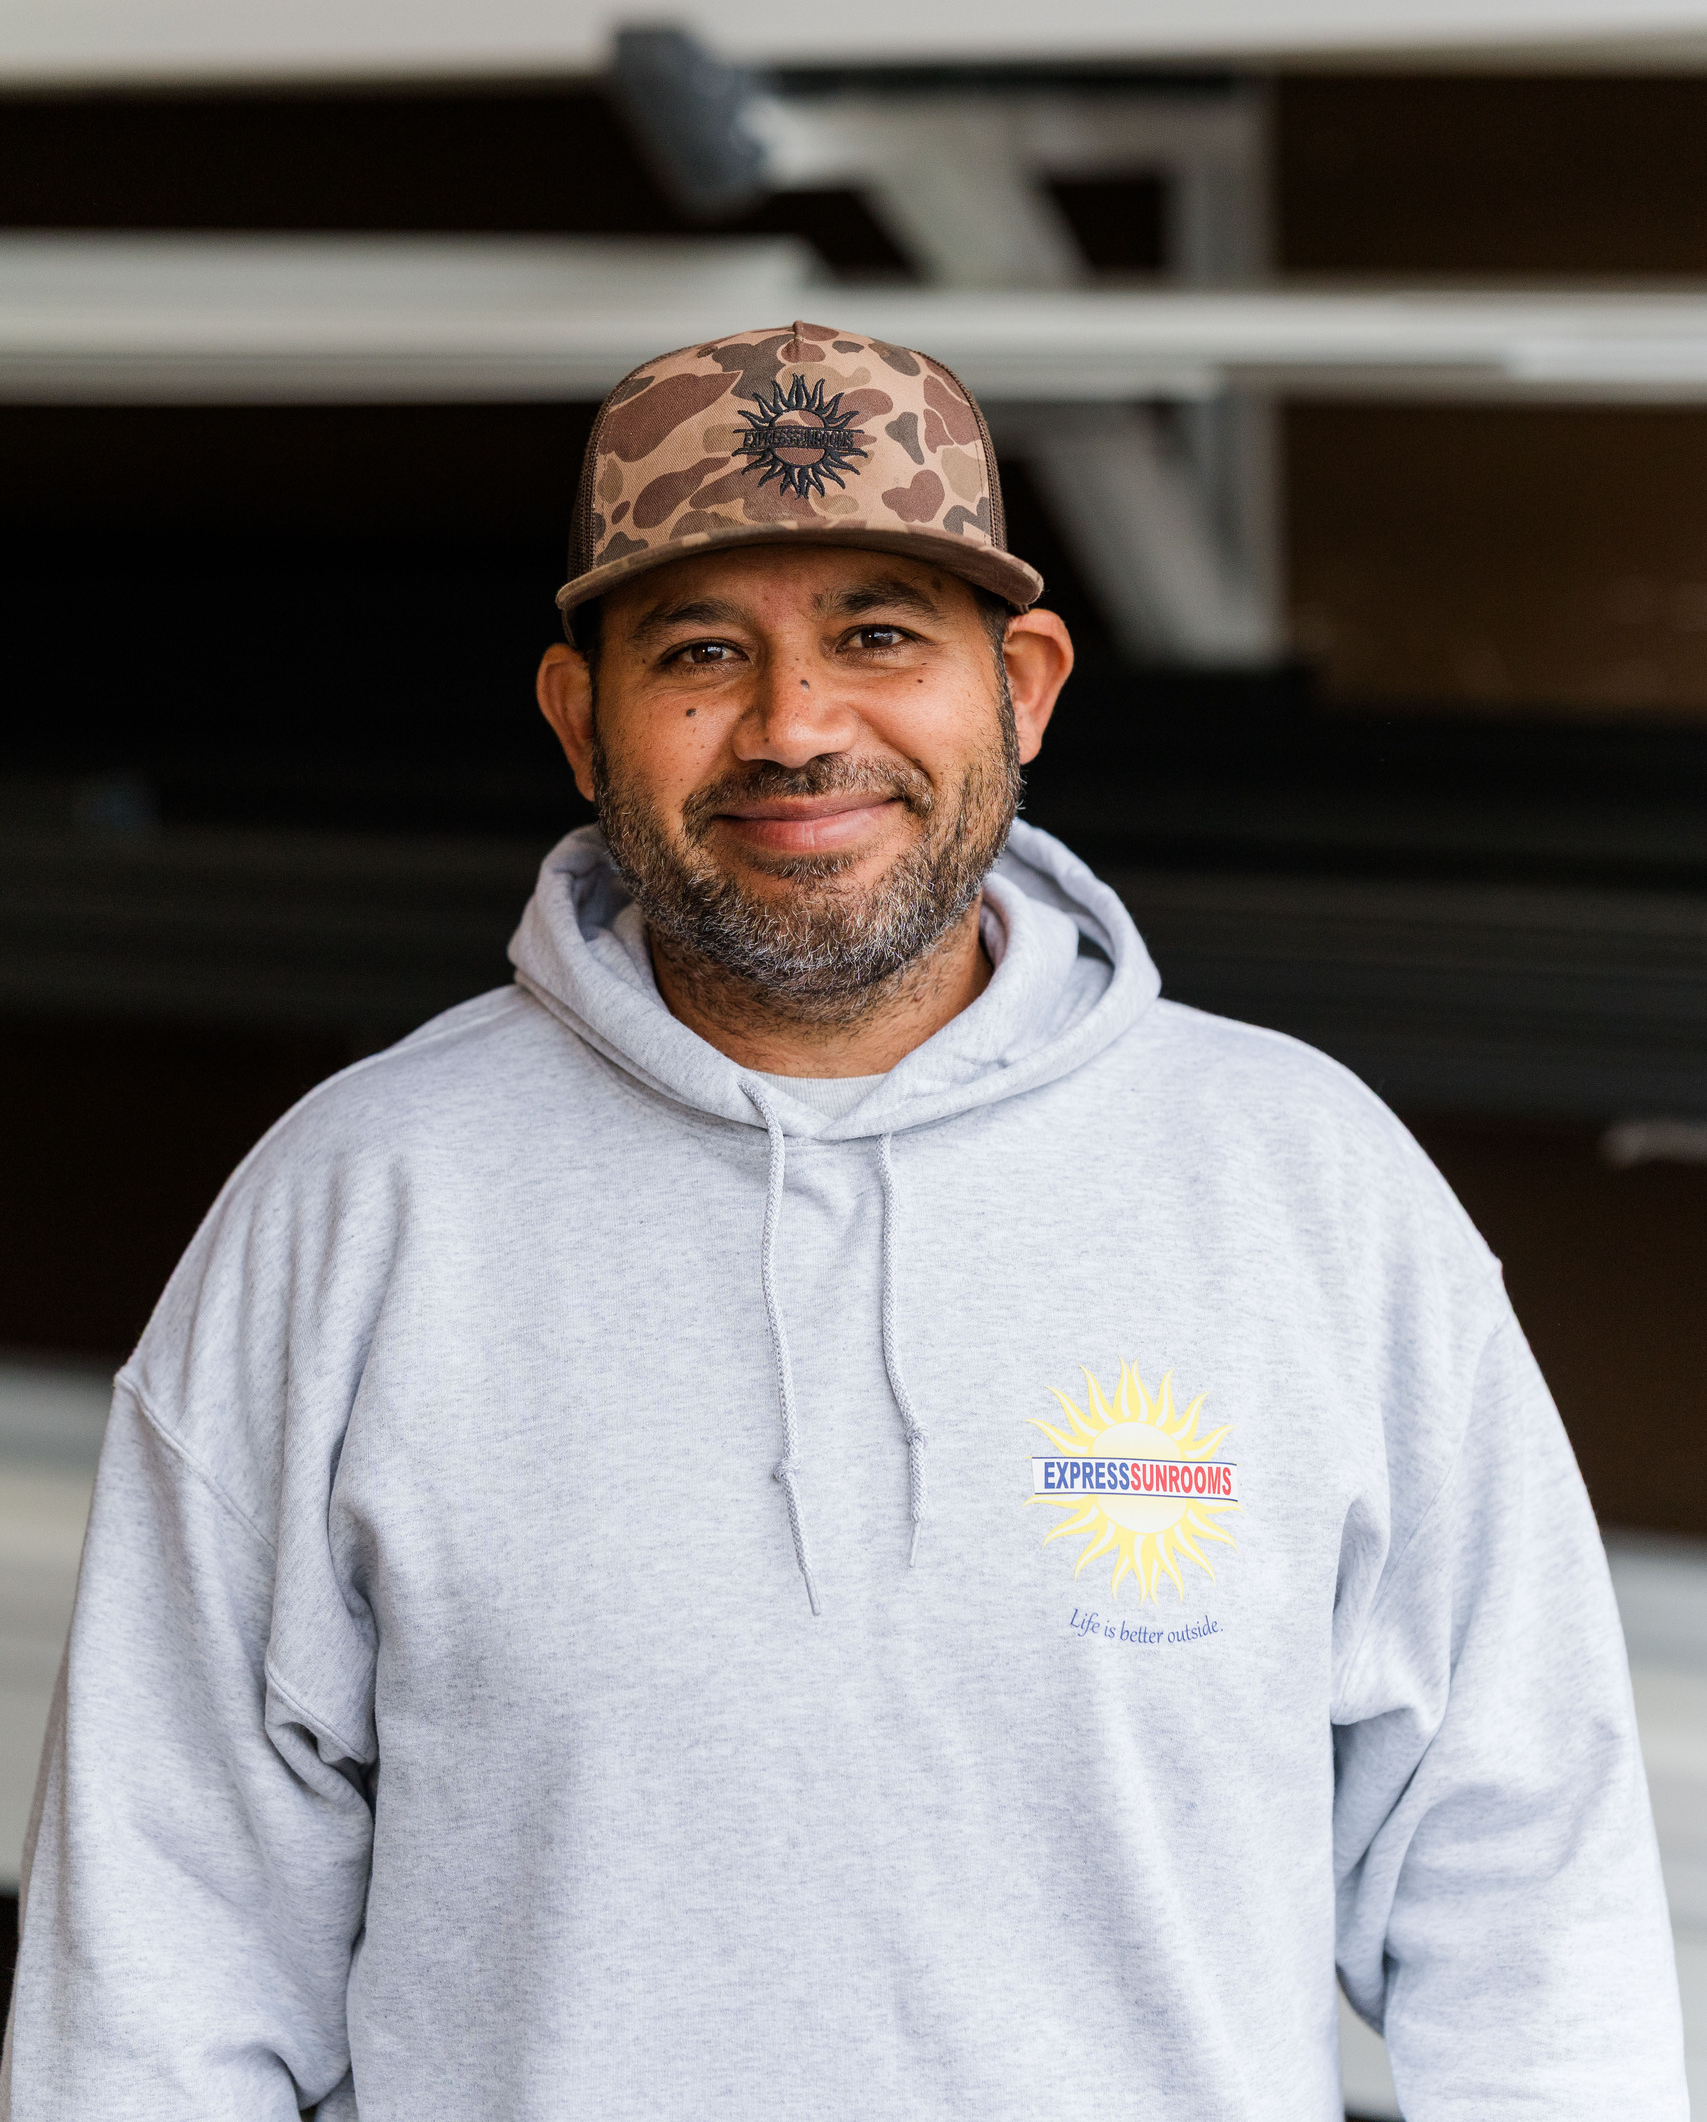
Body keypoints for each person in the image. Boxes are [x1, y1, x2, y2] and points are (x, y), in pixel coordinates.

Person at [2, 323, 1686, 2121]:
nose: (797, 728)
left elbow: (1531, 1914)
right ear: (578, 720)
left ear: (1024, 686)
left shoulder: (1309, 1189)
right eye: (701, 652)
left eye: (879, 636)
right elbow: (159, 1979)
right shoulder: (351, 1215)